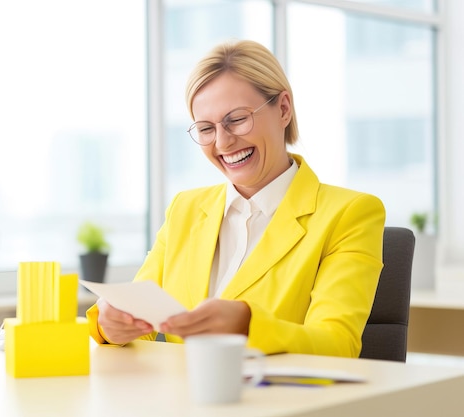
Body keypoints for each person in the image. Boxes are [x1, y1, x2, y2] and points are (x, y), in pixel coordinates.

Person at [86, 39, 385, 357]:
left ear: (283, 108)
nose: (223, 142)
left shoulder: (350, 214)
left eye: (237, 119)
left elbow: (337, 345)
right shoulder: (185, 209)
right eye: (206, 128)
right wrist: (110, 325)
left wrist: (246, 324)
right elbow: (138, 316)